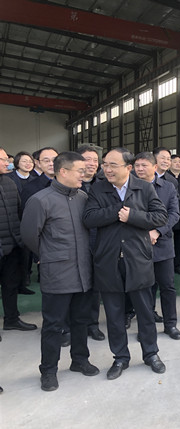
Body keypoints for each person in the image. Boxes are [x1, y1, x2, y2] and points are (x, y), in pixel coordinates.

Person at [83, 147, 168, 380]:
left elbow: (160, 216)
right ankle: (120, 357)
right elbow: (89, 218)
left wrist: (133, 216)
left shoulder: (145, 188)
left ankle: (151, 353)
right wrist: (117, 211)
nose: (107, 169)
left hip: (138, 259)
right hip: (108, 260)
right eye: (105, 164)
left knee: (145, 312)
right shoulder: (98, 188)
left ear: (128, 168)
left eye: (113, 165)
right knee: (114, 314)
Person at [21, 152, 100, 391]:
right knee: (54, 325)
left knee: (81, 320)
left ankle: (80, 360)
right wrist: (49, 256)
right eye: (80, 171)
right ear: (63, 171)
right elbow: (29, 236)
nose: (84, 175)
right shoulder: (40, 200)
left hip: (84, 272)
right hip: (57, 273)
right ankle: (48, 370)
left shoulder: (83, 197)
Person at [134, 152, 180, 340]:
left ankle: (171, 324)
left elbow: (174, 214)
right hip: (138, 245)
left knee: (168, 287)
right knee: (144, 289)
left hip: (163, 244)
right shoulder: (130, 187)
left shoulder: (168, 187)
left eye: (144, 165)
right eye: (137, 165)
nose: (139, 169)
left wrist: (157, 232)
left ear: (154, 167)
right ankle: (146, 328)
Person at [0, 147, 37, 332]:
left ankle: (11, 319)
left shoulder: (9, 183)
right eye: (2, 159)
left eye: (6, 159)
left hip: (12, 245)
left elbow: (18, 211)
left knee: (11, 284)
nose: (7, 162)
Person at [75, 144, 106, 341]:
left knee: (95, 287)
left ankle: (92, 324)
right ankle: (71, 326)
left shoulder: (103, 185)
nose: (93, 164)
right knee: (75, 288)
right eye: (88, 159)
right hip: (75, 244)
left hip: (99, 243)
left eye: (95, 160)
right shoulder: (70, 185)